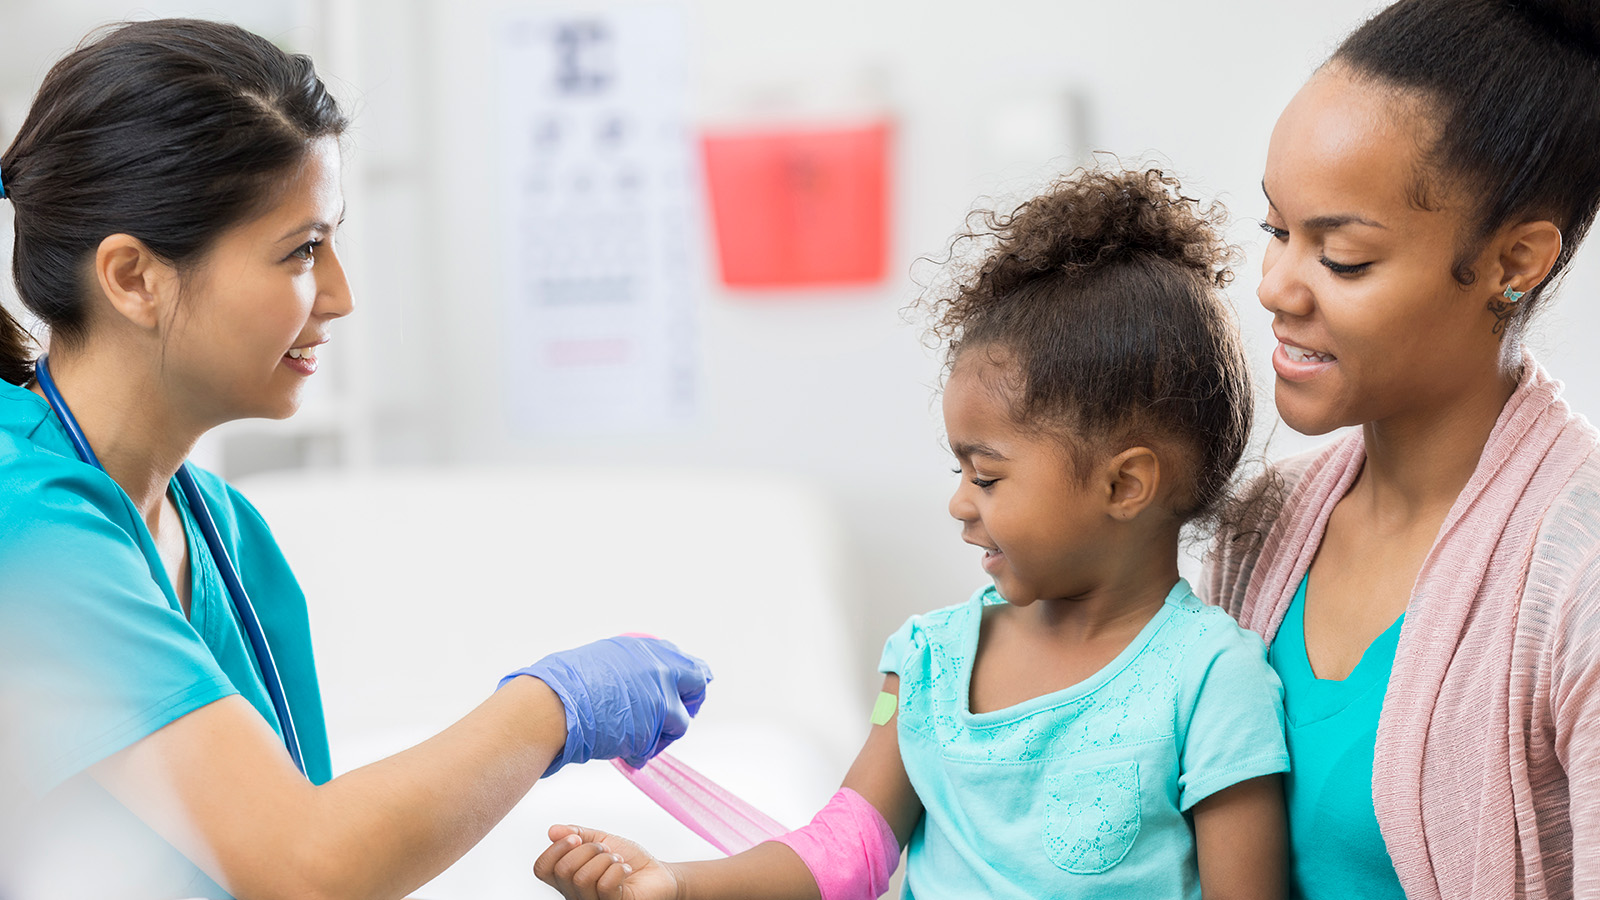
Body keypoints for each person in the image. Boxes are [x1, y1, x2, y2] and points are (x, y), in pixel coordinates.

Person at [0, 19, 711, 900]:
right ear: (134, 278)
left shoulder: (226, 532)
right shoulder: (20, 521)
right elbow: (307, 866)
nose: (340, 295)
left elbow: (309, 850)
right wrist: (553, 707)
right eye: (301, 250)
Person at [533, 165, 1290, 900]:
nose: (960, 504)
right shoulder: (927, 663)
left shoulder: (1213, 682)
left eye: (987, 476)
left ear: (1124, 485)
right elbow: (846, 853)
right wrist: (675, 884)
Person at [1202, 1, 1600, 898]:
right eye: (1276, 231)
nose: (1275, 288)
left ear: (1517, 260)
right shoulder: (1254, 532)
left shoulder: (1579, 580)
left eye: (1341, 258)